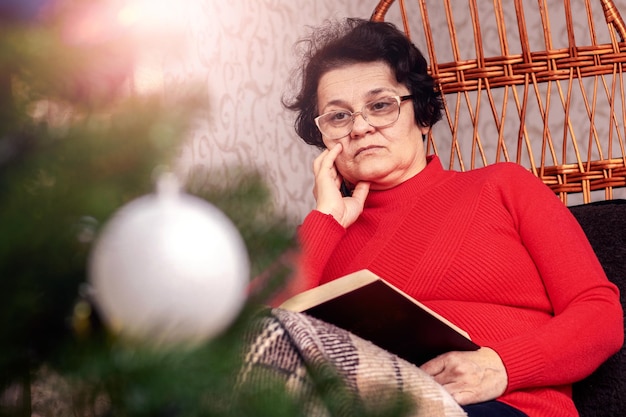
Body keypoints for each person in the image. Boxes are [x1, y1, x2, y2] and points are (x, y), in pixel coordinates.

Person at [277, 17, 624, 417]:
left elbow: (599, 314)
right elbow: (251, 347)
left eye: (380, 105)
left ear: (422, 115)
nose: (360, 127)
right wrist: (325, 220)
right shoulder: (321, 234)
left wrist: (500, 366)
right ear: (323, 138)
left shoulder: (504, 186)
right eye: (338, 117)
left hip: (504, 406)